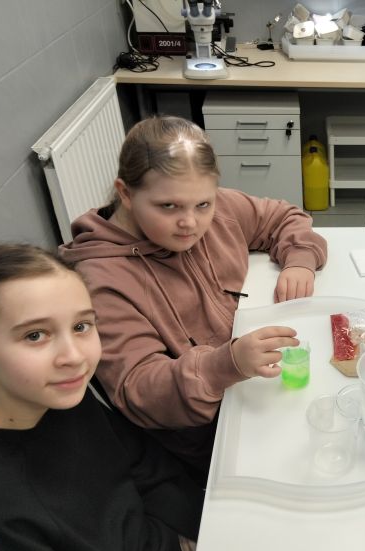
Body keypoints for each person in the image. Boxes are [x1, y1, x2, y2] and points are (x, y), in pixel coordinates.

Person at [60, 116, 328, 478]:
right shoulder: (100, 283)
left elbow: (283, 216)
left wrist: (300, 260)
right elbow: (139, 389)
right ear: (125, 193)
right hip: (209, 433)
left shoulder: (216, 211)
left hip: (253, 384)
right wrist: (224, 365)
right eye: (168, 207)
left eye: (203, 204)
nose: (191, 223)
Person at [0, 244, 204, 551]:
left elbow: (145, 465)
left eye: (81, 326)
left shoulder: (57, 393)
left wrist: (215, 528)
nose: (73, 357)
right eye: (35, 335)